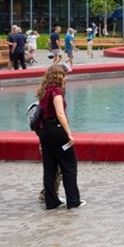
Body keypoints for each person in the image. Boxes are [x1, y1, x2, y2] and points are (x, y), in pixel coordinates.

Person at [36, 64, 81, 209]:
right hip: (57, 130)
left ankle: (51, 201)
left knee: (49, 168)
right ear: (59, 77)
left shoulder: (44, 91)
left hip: (45, 131)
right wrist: (69, 134)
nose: (66, 78)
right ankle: (73, 200)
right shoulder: (56, 92)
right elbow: (60, 113)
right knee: (69, 165)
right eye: (64, 75)